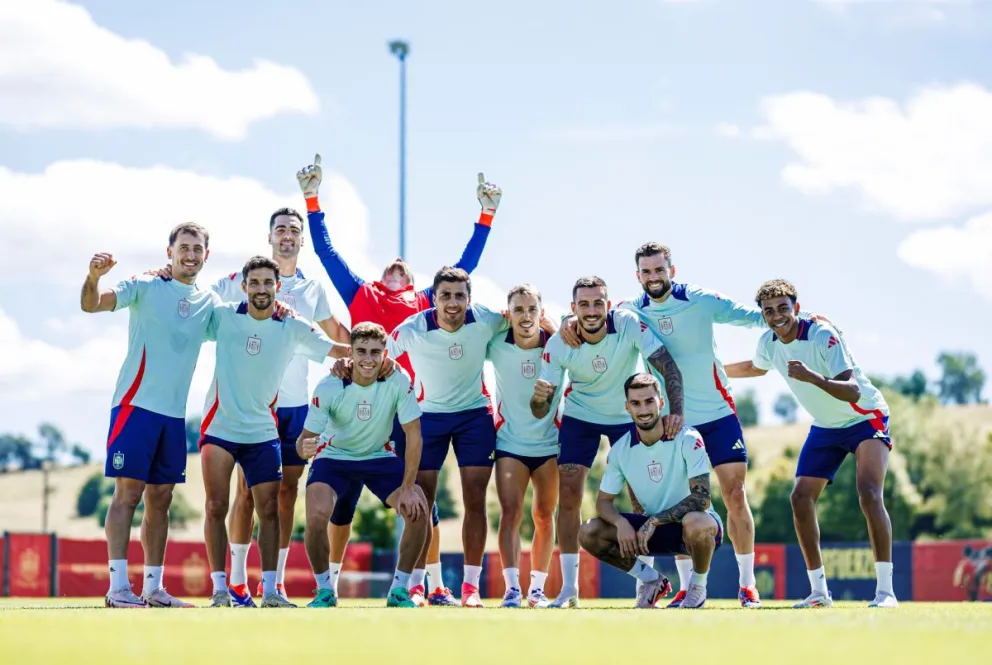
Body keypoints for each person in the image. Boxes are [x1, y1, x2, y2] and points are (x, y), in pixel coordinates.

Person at [297, 154, 501, 604]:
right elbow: (326, 255)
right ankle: (327, 584)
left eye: (405, 267)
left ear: (413, 282)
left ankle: (428, 585)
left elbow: (463, 268)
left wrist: (485, 217)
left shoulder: (427, 300)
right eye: (391, 264)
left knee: (419, 504)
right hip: (355, 412)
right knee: (340, 511)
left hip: (406, 409)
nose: (397, 264)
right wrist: (312, 200)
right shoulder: (361, 293)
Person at [559, 243, 767, 607]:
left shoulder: (701, 299)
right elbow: (592, 314)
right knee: (672, 499)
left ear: (672, 269)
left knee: (735, 495)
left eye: (660, 270)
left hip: (717, 413)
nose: (654, 277)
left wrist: (804, 320)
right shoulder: (629, 310)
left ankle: (747, 585)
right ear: (638, 276)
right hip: (670, 419)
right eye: (647, 272)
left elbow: (753, 316)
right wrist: (564, 323)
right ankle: (686, 586)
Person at [334, 266, 510, 607]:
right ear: (434, 299)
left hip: (475, 416)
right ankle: (417, 585)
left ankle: (471, 589)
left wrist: (556, 324)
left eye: (460, 295)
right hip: (428, 417)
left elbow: (522, 321)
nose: (453, 303)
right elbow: (377, 359)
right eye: (445, 295)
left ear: (469, 298)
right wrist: (343, 365)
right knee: (421, 504)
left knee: (474, 500)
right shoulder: (414, 328)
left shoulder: (485, 319)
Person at [724, 278, 897, 608]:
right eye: (769, 311)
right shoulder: (768, 343)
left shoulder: (821, 334)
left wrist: (812, 377)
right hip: (827, 426)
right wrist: (715, 369)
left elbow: (852, 390)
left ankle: (885, 592)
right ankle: (819, 593)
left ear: (796, 309)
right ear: (762, 315)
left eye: (783, 308)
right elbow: (755, 368)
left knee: (869, 493)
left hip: (865, 417)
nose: (777, 316)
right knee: (800, 498)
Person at [208, 207, 350, 607]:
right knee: (246, 495)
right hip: (253, 405)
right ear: (269, 236)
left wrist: (376, 347)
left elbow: (336, 334)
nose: (287, 235)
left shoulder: (311, 289)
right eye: (280, 229)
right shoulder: (246, 280)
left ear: (301, 240)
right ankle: (236, 581)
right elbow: (200, 299)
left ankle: (277, 582)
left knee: (286, 495)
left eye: (293, 230)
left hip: (297, 407)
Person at [82, 222, 218, 609]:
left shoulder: (207, 301)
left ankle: (153, 589)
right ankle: (118, 588)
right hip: (134, 408)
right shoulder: (143, 285)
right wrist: (93, 277)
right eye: (184, 247)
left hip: (173, 417)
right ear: (169, 251)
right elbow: (91, 304)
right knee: (128, 494)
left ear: (206, 255)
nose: (190, 254)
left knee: (161, 498)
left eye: (197, 249)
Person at [530, 276, 685, 608]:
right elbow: (541, 408)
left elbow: (666, 364)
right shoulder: (559, 342)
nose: (591, 310)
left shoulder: (628, 324)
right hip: (580, 416)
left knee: (640, 500)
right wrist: (540, 398)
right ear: (573, 308)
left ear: (608, 305)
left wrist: (676, 412)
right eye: (583, 304)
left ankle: (647, 584)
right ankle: (569, 589)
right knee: (569, 498)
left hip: (625, 417)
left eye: (597, 302)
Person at [295, 322, 430, 608]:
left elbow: (414, 434)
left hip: (378, 456)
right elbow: (303, 441)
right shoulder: (330, 385)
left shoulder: (398, 379)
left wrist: (407, 487)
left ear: (385, 353)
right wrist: (304, 448)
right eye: (361, 352)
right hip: (334, 457)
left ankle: (399, 591)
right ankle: (324, 591)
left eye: (375, 352)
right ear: (351, 354)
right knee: (317, 514)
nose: (368, 359)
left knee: (419, 510)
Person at [578, 373, 722, 609]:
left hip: (694, 531)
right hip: (651, 532)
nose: (643, 409)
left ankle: (697, 587)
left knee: (697, 521)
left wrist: (654, 520)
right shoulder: (620, 449)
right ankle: (651, 580)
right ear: (627, 407)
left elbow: (702, 499)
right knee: (589, 531)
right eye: (635, 403)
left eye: (649, 401)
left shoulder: (688, 437)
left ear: (661, 403)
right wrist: (620, 523)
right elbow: (604, 502)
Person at [487, 285, 561, 608]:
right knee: (511, 514)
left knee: (544, 515)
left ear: (541, 313)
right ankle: (512, 590)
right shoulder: (495, 344)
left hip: (549, 444)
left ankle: (537, 591)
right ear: (509, 314)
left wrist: (558, 331)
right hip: (510, 443)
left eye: (532, 309)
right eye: (519, 310)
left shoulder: (557, 344)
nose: (526, 316)